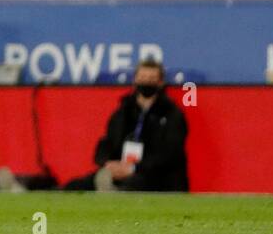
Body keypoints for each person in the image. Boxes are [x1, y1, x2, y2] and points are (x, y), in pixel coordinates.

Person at [64, 58, 189, 192]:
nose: (146, 82)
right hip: (121, 170)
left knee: (133, 185)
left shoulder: (171, 114)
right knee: (75, 186)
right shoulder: (123, 111)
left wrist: (134, 168)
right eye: (142, 77)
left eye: (152, 78)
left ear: (160, 83)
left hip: (155, 176)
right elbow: (107, 142)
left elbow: (170, 154)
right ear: (135, 80)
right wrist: (108, 163)